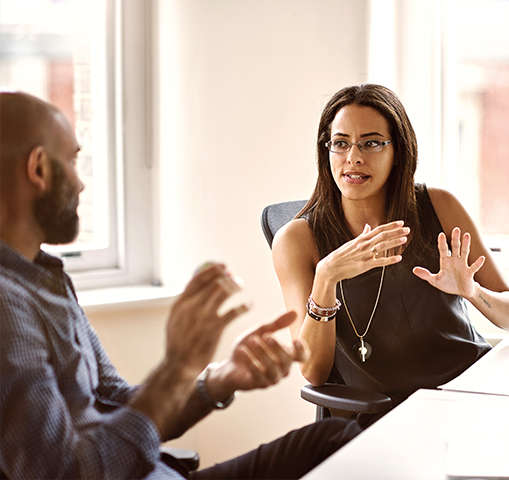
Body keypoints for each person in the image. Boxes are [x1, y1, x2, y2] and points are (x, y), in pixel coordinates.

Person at [0, 91, 361, 479]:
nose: (81, 184)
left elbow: (122, 407)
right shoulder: (7, 304)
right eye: (72, 161)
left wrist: (221, 378)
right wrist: (178, 365)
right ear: (38, 169)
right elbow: (64, 473)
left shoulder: (45, 278)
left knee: (337, 439)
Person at [272, 83, 509, 425]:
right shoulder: (297, 240)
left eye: (372, 143)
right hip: (384, 418)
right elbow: (313, 372)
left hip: (469, 396)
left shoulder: (440, 206)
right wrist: (326, 277)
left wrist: (473, 292)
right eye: (341, 143)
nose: (354, 158)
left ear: (399, 150)